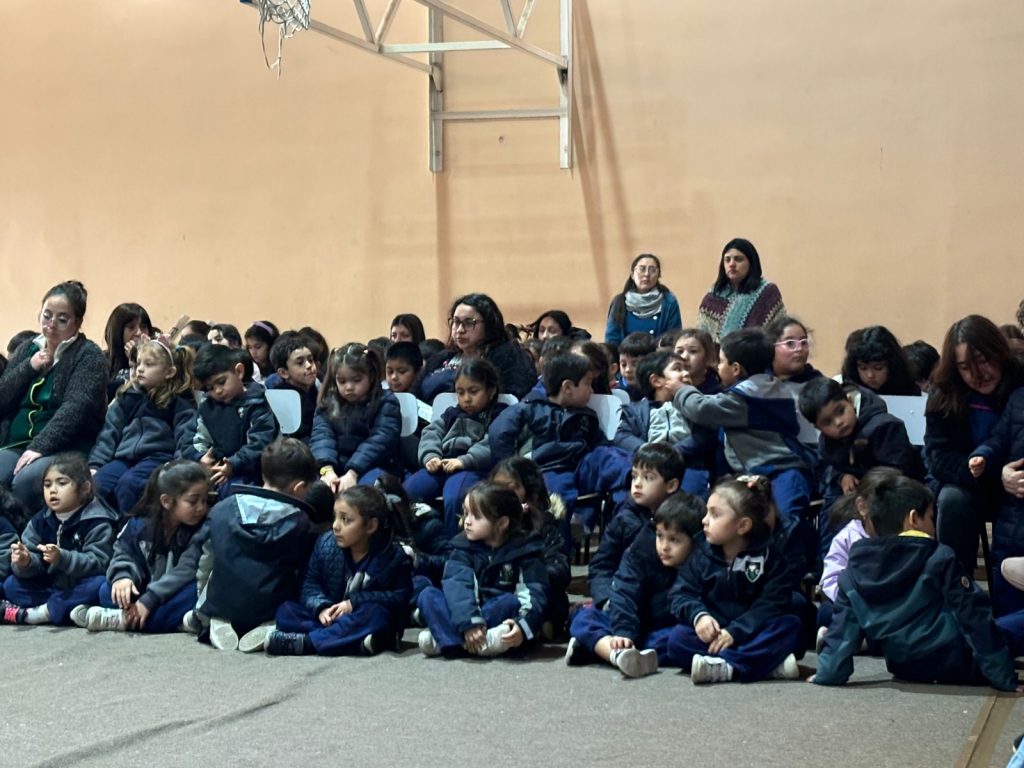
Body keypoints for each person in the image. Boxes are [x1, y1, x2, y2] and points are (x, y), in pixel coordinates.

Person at [812, 476, 1019, 691]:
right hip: (958, 663)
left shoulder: (853, 572)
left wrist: (826, 674)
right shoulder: (939, 557)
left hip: (904, 668)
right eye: (930, 518)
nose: (933, 527)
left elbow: (842, 634)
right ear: (913, 519)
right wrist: (1004, 678)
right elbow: (975, 619)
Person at [666, 475, 803, 684]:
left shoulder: (770, 556)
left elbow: (772, 603)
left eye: (715, 514)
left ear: (742, 525)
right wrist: (699, 617)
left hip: (752, 632)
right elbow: (681, 594)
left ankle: (727, 667)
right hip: (714, 636)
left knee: (791, 626)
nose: (704, 520)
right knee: (677, 640)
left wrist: (736, 632)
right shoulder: (700, 551)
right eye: (707, 512)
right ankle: (760, 665)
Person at [673, 328, 814, 524]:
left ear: (736, 369)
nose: (718, 367)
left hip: (784, 474)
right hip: (761, 476)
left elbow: (700, 409)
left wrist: (681, 389)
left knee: (787, 527)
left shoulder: (748, 396)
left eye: (721, 362)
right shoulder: (767, 385)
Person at [196, 438, 320, 651]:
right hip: (270, 606)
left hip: (222, 601)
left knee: (215, 568)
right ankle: (270, 624)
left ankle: (218, 618)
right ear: (298, 487)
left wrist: (201, 601)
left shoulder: (221, 509)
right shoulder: (301, 522)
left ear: (263, 475)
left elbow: (206, 561)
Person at [925, 315, 1024, 576]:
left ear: (999, 352)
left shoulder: (1020, 382)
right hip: (973, 484)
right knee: (952, 500)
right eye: (965, 367)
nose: (977, 374)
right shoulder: (944, 393)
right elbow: (938, 459)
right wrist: (993, 474)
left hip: (1019, 482)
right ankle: (958, 587)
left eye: (983, 360)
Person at [263, 484, 414, 656]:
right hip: (333, 617)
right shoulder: (326, 544)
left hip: (361, 617)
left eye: (345, 520)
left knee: (375, 614)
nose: (335, 526)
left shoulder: (393, 556)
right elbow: (310, 583)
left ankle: (308, 643)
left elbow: (400, 596)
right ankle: (353, 643)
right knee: (286, 610)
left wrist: (354, 602)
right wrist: (321, 608)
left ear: (371, 526)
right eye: (335, 517)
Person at [567, 493, 705, 678]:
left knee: (677, 639)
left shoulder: (702, 563)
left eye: (674, 540)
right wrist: (624, 632)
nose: (664, 546)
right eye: (660, 536)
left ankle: (600, 649)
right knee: (585, 617)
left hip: (663, 629)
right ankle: (618, 655)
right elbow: (624, 591)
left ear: (695, 541)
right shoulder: (641, 550)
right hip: (632, 621)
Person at [0, 281, 109, 513]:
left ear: (77, 323)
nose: (51, 325)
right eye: (47, 316)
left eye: (62, 320)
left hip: (64, 447)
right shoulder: (28, 348)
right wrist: (29, 367)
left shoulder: (89, 356)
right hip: (16, 443)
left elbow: (75, 409)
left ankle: (27, 533)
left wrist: (40, 446)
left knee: (25, 481)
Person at [416, 482, 549, 658]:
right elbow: (458, 587)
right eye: (465, 513)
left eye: (476, 516)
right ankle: (479, 643)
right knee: (428, 595)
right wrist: (470, 622)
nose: (467, 521)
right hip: (466, 615)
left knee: (509, 602)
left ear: (502, 523)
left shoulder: (526, 550)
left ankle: (447, 640)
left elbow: (535, 593)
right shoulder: (461, 547)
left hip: (496, 614)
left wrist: (522, 627)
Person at [76, 459, 210, 633]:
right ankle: (166, 621)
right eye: (193, 501)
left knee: (196, 593)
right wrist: (123, 577)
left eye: (205, 500)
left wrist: (149, 600)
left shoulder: (202, 528)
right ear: (167, 501)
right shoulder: (139, 525)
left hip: (171, 591)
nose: (201, 508)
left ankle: (124, 620)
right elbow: (123, 553)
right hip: (147, 589)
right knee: (106, 591)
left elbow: (186, 570)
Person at [798, 377, 922, 553]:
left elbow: (899, 470)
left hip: (890, 490)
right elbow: (826, 467)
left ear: (849, 400)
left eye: (840, 411)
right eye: (827, 422)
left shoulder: (883, 425)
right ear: (818, 427)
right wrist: (841, 477)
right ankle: (831, 564)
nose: (838, 422)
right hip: (855, 493)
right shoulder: (827, 441)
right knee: (832, 509)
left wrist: (865, 490)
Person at [0, 454, 118, 626]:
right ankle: (63, 608)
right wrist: (25, 562)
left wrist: (62, 558)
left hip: (81, 584)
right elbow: (33, 565)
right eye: (47, 485)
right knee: (12, 585)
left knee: (100, 586)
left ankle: (42, 613)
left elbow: (99, 564)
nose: (53, 490)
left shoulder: (97, 520)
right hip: (52, 588)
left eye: (62, 483)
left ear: (84, 488)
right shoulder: (40, 521)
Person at [489, 353, 601, 526]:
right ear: (568, 387)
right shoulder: (530, 408)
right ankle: (558, 537)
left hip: (580, 467)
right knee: (559, 495)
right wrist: (511, 468)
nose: (592, 390)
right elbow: (499, 433)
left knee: (607, 458)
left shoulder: (586, 416)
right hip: (544, 469)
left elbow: (600, 445)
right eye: (588, 383)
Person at [88, 339, 197, 514]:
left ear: (169, 372)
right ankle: (103, 525)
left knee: (130, 485)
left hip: (157, 459)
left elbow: (185, 437)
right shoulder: (127, 397)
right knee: (98, 484)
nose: (140, 369)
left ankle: (128, 527)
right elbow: (109, 434)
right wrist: (96, 465)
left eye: (149, 364)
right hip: (123, 458)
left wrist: (175, 468)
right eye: (138, 363)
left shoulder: (177, 402)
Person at [404, 359, 507, 536]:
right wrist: (431, 456)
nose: (466, 398)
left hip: (472, 468)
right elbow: (431, 432)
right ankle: (413, 538)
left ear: (491, 391)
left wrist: (463, 461)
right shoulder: (452, 413)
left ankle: (455, 545)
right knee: (407, 492)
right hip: (442, 465)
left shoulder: (500, 414)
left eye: (473, 391)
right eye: (460, 392)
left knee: (455, 498)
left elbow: (494, 443)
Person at [588, 443, 683, 608]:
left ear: (671, 485)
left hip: (667, 602)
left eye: (648, 478)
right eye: (634, 476)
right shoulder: (624, 519)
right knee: (585, 619)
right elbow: (602, 566)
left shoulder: (684, 519)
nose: (637, 484)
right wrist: (606, 599)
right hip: (623, 598)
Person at [178, 344, 278, 493]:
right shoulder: (207, 406)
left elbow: (260, 443)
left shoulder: (256, 404)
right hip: (213, 469)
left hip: (248, 471)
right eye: (210, 388)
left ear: (239, 371)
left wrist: (233, 464)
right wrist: (200, 458)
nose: (217, 391)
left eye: (221, 382)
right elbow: (191, 437)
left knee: (231, 490)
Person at [816, 466, 900, 642]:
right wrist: (854, 600)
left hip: (891, 606)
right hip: (854, 604)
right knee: (826, 613)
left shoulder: (905, 535)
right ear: (862, 507)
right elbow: (830, 579)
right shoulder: (847, 537)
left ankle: (858, 642)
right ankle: (863, 640)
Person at [490, 457, 570, 637]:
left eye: (511, 489)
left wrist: (527, 572)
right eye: (496, 488)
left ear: (531, 493)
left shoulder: (546, 527)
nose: (502, 495)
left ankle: (533, 626)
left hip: (535, 592)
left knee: (553, 599)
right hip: (500, 594)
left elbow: (560, 571)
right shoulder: (486, 526)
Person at [311, 343, 402, 493]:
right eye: (342, 381)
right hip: (336, 468)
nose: (348, 387)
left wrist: (353, 472)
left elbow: (380, 441)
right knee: (315, 492)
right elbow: (322, 437)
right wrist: (327, 470)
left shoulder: (386, 402)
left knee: (360, 496)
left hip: (376, 467)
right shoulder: (328, 403)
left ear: (371, 376)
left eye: (356, 380)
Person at [415, 294, 536, 403]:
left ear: (489, 325)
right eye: (456, 322)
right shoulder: (441, 358)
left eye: (469, 322)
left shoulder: (508, 358)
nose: (460, 330)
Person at [969, 383, 1024, 614]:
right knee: (1005, 615)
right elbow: (999, 440)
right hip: (1014, 514)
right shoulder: (1019, 397)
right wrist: (985, 457)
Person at [696, 238, 786, 342]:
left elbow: (781, 330)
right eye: (727, 260)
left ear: (751, 263)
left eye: (738, 259)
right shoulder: (712, 298)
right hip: (719, 352)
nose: (731, 264)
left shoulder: (767, 293)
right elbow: (701, 338)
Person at [604, 254, 682, 346]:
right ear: (632, 274)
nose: (646, 274)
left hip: (658, 354)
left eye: (652, 270)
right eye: (642, 269)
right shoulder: (619, 301)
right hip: (625, 354)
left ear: (658, 275)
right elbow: (612, 339)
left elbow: (673, 336)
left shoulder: (669, 302)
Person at [266, 331, 319, 442]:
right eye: (300, 363)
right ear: (284, 373)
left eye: (310, 360)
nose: (309, 365)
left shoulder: (316, 389)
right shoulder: (280, 400)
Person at [840, 326, 920, 396]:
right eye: (863, 368)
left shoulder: (910, 391)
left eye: (878, 368)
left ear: (892, 366)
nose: (870, 375)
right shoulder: (848, 391)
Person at [102, 302, 153, 399]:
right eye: (131, 327)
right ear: (118, 331)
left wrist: (140, 360)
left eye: (143, 327)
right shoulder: (101, 361)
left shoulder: (157, 364)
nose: (139, 333)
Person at [766, 316, 822, 384]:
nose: (800, 348)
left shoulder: (820, 385)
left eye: (803, 343)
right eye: (790, 343)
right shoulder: (758, 383)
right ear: (771, 347)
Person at [673, 328, 721, 393]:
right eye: (680, 351)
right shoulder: (667, 387)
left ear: (708, 357)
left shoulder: (717, 393)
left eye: (693, 351)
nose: (684, 357)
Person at [617, 332, 656, 400]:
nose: (628, 370)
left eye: (635, 364)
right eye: (623, 364)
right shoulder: (616, 392)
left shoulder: (658, 392)